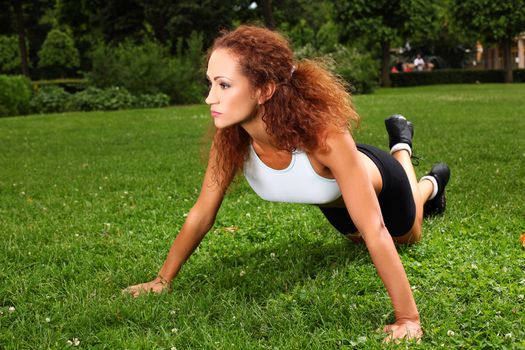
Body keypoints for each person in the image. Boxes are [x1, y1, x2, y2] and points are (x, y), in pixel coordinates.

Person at [124, 25, 451, 342]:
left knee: (408, 235)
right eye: (210, 83)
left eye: (224, 85)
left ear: (265, 89)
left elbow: (375, 229)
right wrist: (162, 280)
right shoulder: (230, 140)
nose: (210, 98)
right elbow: (201, 214)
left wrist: (408, 319)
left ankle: (404, 150)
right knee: (357, 243)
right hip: (333, 200)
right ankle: (425, 180)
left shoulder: (325, 137)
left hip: (379, 180)